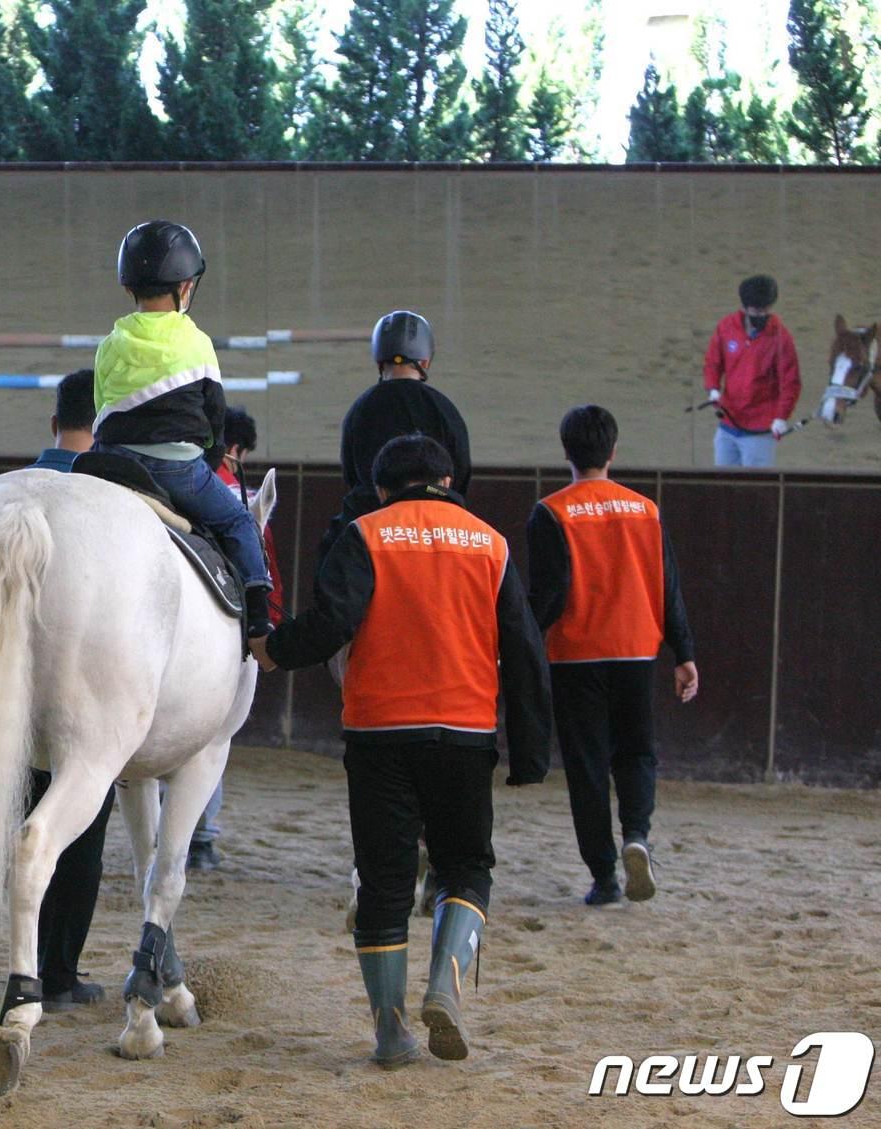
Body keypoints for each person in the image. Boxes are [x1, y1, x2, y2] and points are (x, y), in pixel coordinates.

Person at [251, 435, 551, 1068]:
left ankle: (390, 1032)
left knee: (385, 883)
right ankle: (445, 982)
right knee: (466, 867)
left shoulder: (366, 534)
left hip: (379, 733)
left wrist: (275, 650)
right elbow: (524, 649)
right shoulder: (490, 544)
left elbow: (333, 621)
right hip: (466, 733)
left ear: (382, 488)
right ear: (447, 481)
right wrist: (529, 751)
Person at [526, 405, 698, 907]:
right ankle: (637, 836)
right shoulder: (645, 510)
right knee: (637, 751)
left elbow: (551, 594)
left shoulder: (551, 512)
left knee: (587, 767)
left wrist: (520, 643)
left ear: (566, 452)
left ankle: (604, 877)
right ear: (613, 451)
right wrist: (683, 652)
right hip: (636, 651)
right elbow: (668, 588)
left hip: (576, 655)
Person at [92, 219, 273, 639]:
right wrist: (209, 458)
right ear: (185, 287)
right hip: (179, 472)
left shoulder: (110, 344)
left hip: (113, 464)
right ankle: (261, 621)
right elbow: (214, 417)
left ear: (128, 288)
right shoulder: (197, 342)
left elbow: (101, 411)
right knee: (239, 524)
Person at [26, 368, 115, 1008]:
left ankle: (13, 964)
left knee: (20, 818)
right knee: (80, 828)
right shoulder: (108, 501)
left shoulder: (15, 489)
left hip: (12, 699)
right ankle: (57, 972)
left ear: (54, 424)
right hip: (84, 688)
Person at [187, 405, 286, 872]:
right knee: (214, 733)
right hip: (227, 628)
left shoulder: (179, 487)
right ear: (235, 449)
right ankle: (202, 837)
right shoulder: (241, 499)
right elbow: (265, 573)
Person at [317, 310, 471, 567]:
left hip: (368, 524)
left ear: (380, 360)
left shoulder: (361, 408)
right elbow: (462, 472)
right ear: (425, 361)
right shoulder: (445, 409)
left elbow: (352, 475)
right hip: (437, 530)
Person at [702, 274, 801, 468]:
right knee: (721, 483)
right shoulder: (726, 328)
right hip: (728, 424)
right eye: (757, 310)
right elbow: (713, 362)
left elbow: (790, 382)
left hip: (760, 430)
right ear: (745, 307)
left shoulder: (781, 338)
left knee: (755, 489)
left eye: (765, 309)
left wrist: (781, 417)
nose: (761, 314)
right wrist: (712, 388)